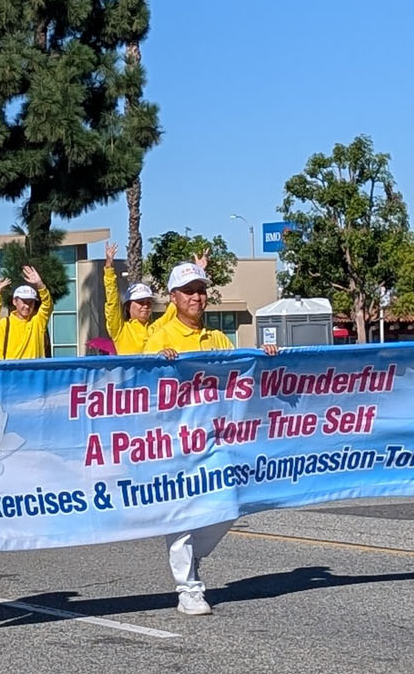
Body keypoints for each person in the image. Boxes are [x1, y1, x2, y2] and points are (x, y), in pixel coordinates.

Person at [147, 261, 277, 615]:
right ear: (173, 297)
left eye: (201, 290)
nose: (196, 297)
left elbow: (240, 372)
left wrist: (262, 357)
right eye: (188, 291)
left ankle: (191, 558)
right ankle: (188, 588)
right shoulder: (159, 336)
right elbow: (140, 385)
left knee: (230, 504)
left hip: (216, 439)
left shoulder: (217, 337)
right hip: (174, 442)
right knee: (183, 515)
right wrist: (157, 362)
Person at [102, 242, 164, 355]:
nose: (145, 306)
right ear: (128, 307)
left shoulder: (157, 328)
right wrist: (109, 269)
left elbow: (177, 306)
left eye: (148, 303)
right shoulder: (121, 329)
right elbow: (113, 304)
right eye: (140, 302)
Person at [0, 266, 52, 360]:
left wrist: (40, 285)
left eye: (31, 302)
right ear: (14, 301)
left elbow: (47, 305)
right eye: (24, 301)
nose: (27, 306)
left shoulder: (37, 321)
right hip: (12, 373)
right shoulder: (4, 324)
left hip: (36, 373)